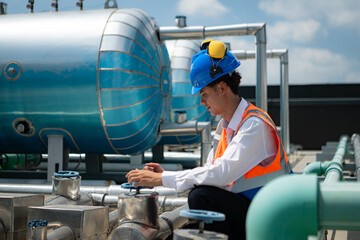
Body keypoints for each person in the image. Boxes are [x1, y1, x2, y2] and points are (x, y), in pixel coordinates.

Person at [126, 40, 292, 240]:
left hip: (272, 221)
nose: (201, 102)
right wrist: (165, 175)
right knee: (185, 221)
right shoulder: (224, 128)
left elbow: (220, 174)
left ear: (222, 87)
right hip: (253, 213)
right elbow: (208, 175)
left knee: (201, 196)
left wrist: (163, 179)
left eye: (204, 94)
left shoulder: (254, 125)